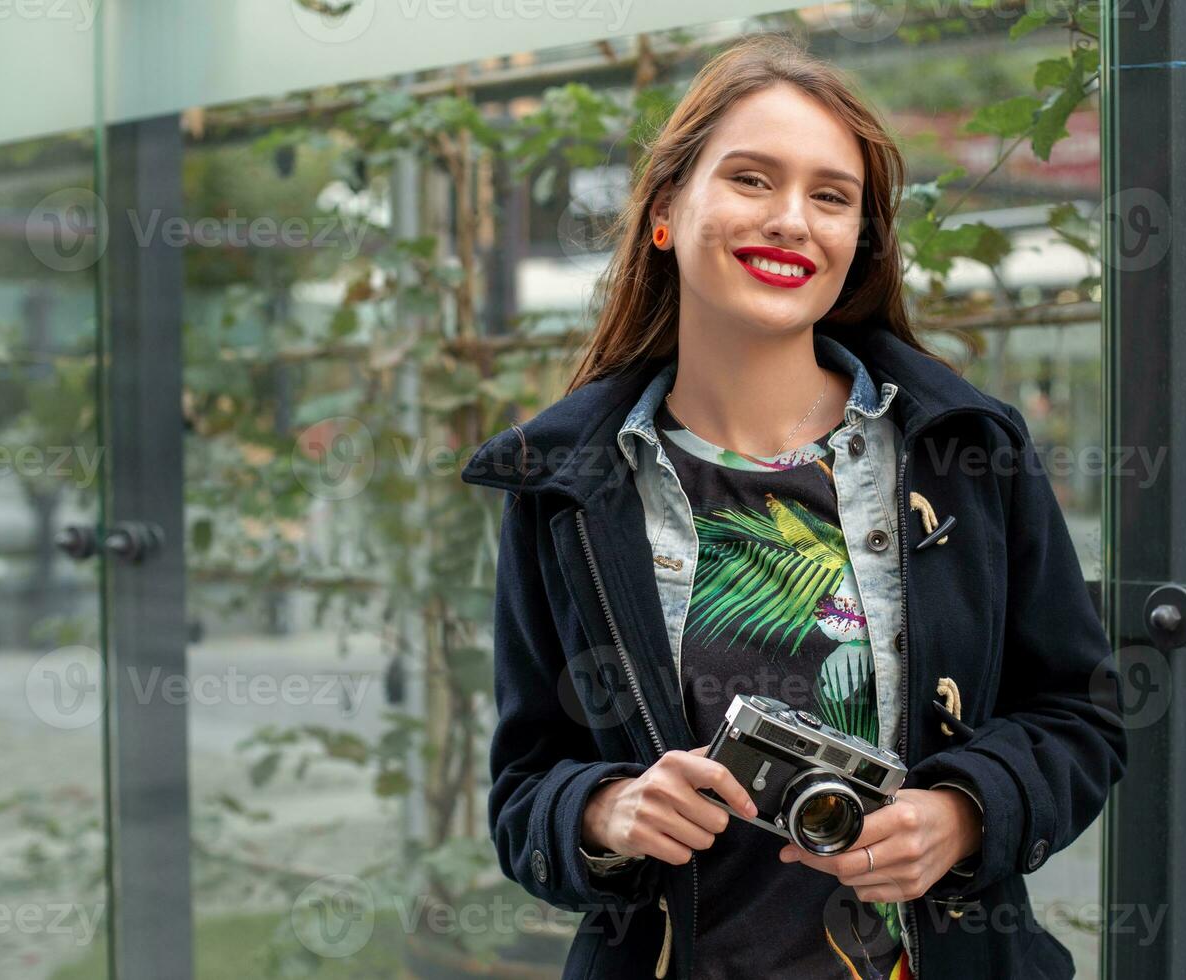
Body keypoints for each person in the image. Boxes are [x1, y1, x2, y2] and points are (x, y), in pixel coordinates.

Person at [461, 33, 1126, 980]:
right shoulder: (568, 489)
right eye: (750, 179)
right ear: (663, 213)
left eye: (830, 196)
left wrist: (964, 812)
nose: (791, 220)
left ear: (856, 242)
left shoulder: (968, 451)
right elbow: (526, 788)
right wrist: (607, 812)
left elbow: (1080, 716)